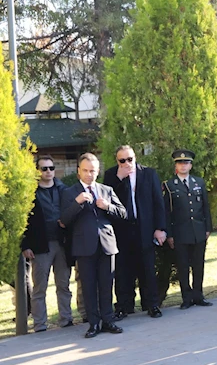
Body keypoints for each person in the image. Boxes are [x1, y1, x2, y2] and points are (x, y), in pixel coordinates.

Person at [61, 153, 127, 338]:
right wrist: (77, 203)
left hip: (107, 244)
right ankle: (94, 324)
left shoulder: (106, 190)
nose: (89, 174)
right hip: (84, 246)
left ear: (98, 171)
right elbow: (64, 220)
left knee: (107, 284)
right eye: (86, 171)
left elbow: (123, 213)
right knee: (89, 287)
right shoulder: (69, 192)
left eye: (93, 171)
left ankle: (108, 320)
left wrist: (108, 207)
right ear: (78, 172)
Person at [103, 145, 167, 319]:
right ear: (117, 161)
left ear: (135, 157)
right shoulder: (111, 176)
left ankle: (151, 304)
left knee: (147, 268)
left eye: (129, 159)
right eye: (122, 160)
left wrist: (160, 228)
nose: (126, 163)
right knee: (123, 270)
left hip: (144, 228)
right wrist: (119, 179)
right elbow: (107, 201)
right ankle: (124, 306)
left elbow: (158, 203)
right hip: (122, 231)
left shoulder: (148, 173)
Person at [21, 155, 73, 331]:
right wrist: (25, 245)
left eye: (51, 168)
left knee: (63, 284)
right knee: (39, 288)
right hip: (40, 246)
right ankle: (40, 324)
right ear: (38, 171)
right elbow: (24, 221)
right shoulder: (30, 193)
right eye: (44, 169)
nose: (48, 172)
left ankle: (66, 319)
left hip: (62, 244)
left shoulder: (63, 189)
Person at [162, 150, 213, 310]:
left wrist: (208, 228)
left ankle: (198, 295)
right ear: (176, 166)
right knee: (183, 266)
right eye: (180, 163)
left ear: (191, 165)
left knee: (198, 265)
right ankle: (186, 297)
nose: (183, 166)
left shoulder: (199, 182)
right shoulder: (169, 186)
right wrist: (169, 234)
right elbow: (167, 212)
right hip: (180, 232)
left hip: (198, 230)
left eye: (186, 163)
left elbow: (205, 207)